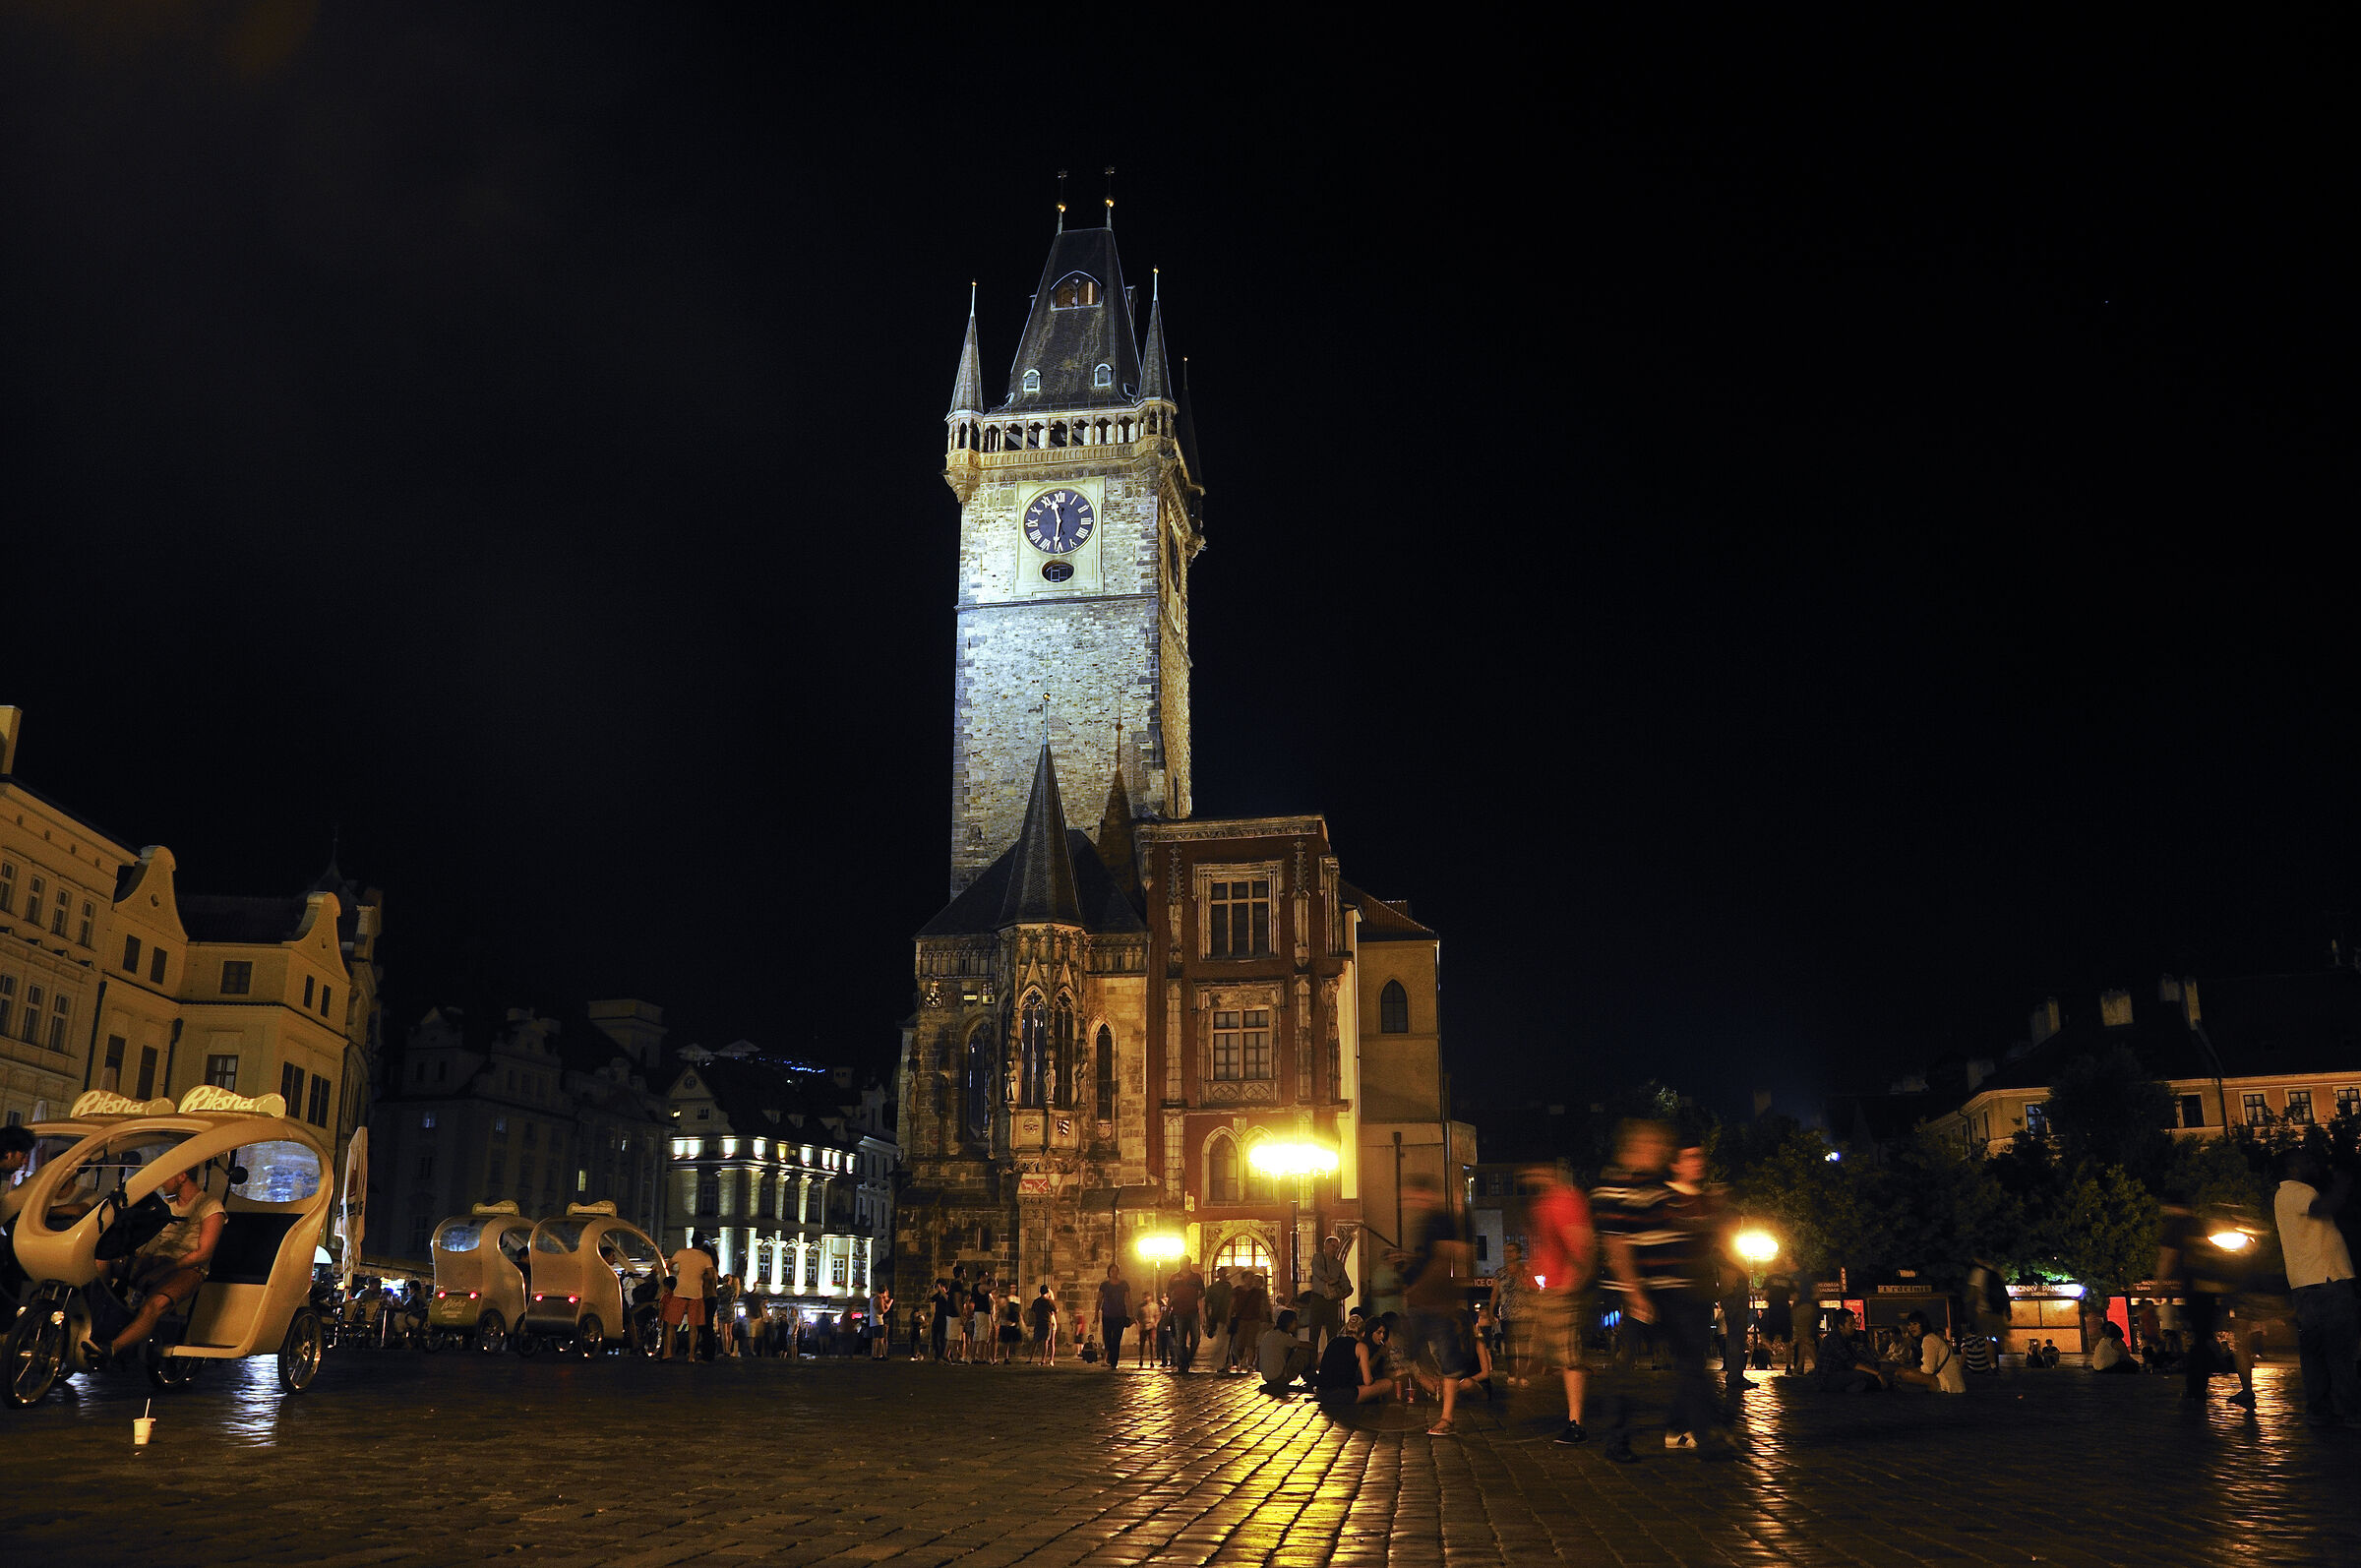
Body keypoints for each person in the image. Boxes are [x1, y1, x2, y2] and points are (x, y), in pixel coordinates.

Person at [1594, 1120, 1729, 1460]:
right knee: (1627, 1368)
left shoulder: (1657, 1189)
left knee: (1691, 1363)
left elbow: (1675, 1232)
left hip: (1669, 1288)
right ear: (1636, 1148)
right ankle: (1617, 1439)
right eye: (1654, 1146)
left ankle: (1704, 1433)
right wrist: (1635, 1292)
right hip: (1639, 1290)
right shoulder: (1615, 1187)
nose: (1660, 1153)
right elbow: (1617, 1243)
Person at [98, 1165, 225, 1359]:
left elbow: (203, 1254)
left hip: (188, 1269)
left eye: (166, 1177)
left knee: (154, 1305)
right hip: (157, 1261)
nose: (162, 1183)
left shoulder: (211, 1206)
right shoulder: (166, 1205)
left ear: (182, 1175)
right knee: (102, 1259)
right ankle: (104, 1311)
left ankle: (111, 1349)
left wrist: (165, 1270)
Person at [2273, 1149, 2358, 1426]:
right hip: (2326, 1279)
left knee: (2314, 1352)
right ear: (2293, 1168)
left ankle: (2319, 1408)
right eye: (2306, 1161)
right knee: (2340, 1350)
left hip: (2305, 1284)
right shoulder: (2297, 1191)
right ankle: (2350, 1410)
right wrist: (2343, 1182)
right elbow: (2323, 1208)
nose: (2312, 1164)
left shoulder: (2283, 1194)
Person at [1519, 1160, 1598, 1446]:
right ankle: (1574, 1418)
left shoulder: (1565, 1199)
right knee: (1555, 1355)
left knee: (1569, 1357)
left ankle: (1576, 1423)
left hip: (1563, 1289)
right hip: (1548, 1289)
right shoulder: (1541, 1203)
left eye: (1533, 1170)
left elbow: (1581, 1243)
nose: (1528, 1177)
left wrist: (1572, 1282)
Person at [1392, 1171, 1475, 1437]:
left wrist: (1424, 1279)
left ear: (1425, 1194)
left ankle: (1447, 1417)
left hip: (1436, 1301)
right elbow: (1429, 1259)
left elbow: (1453, 1254)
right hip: (1423, 1300)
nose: (1409, 1202)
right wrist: (1411, 1265)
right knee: (1411, 1350)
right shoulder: (1425, 1223)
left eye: (1412, 1196)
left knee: (1447, 1357)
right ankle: (1430, 1398)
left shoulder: (1441, 1220)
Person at [1315, 1314, 1395, 1408]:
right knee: (1387, 1384)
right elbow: (1367, 1381)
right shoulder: (1361, 1347)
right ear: (1363, 1333)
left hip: (1321, 1393)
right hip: (1341, 1395)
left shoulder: (1333, 1341)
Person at [660, 1239, 714, 1361]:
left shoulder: (681, 1253)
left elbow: (668, 1265)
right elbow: (711, 1276)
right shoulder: (705, 1257)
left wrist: (677, 1272)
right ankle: (691, 1356)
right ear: (701, 1244)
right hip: (696, 1294)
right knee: (693, 1327)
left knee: (670, 1324)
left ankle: (667, 1353)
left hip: (680, 1292)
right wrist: (700, 1275)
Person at [1809, 1308, 1888, 1393]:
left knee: (1868, 1373)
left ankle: (1859, 1385)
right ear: (1841, 1326)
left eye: (1854, 1323)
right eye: (1851, 1324)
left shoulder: (1846, 1337)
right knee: (1865, 1374)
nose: (1854, 1326)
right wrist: (1877, 1373)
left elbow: (1858, 1357)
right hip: (1826, 1379)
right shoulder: (1833, 1339)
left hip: (1840, 1373)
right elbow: (1851, 1362)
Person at [1888, 1310, 1966, 1392]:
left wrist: (1910, 1371)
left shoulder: (1928, 1339)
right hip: (1953, 1383)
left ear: (1923, 1324)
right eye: (1909, 1325)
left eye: (1915, 1324)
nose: (1911, 1327)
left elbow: (1928, 1369)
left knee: (1901, 1373)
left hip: (1949, 1385)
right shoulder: (1930, 1337)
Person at [1302, 1236, 1351, 1360]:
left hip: (1332, 1301)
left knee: (1332, 1332)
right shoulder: (1318, 1258)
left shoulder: (1338, 1265)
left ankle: (1331, 1359)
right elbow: (1318, 1271)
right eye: (1333, 1246)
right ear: (1326, 1245)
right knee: (1314, 1331)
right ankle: (1312, 1361)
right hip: (1318, 1298)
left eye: (1337, 1247)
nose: (1335, 1249)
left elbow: (1345, 1281)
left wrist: (1347, 1289)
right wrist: (1330, 1280)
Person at [1257, 1305, 1316, 1393]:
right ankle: (1310, 1378)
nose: (1296, 1325)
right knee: (1304, 1352)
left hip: (1267, 1376)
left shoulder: (1269, 1334)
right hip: (1278, 1377)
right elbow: (1308, 1346)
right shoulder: (1284, 1337)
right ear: (1289, 1323)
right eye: (1295, 1322)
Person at [1166, 1258, 1204, 1372]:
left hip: (1193, 1311)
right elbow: (1169, 1293)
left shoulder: (1196, 1277)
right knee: (1180, 1340)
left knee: (1196, 1338)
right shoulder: (1174, 1277)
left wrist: (1194, 1297)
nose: (1185, 1265)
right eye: (1183, 1263)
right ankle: (1183, 1363)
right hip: (1178, 1312)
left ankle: (1188, 1359)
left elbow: (1203, 1291)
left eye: (1186, 1263)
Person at [1760, 1271, 1798, 1374]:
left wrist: (1769, 1299)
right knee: (1787, 1342)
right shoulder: (1787, 1280)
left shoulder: (1769, 1278)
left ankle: (1767, 1358)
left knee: (1767, 1337)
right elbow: (1794, 1296)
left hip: (1774, 1309)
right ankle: (1788, 1367)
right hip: (1785, 1310)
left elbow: (1765, 1295)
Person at [1097, 1262, 1131, 1369]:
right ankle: (1110, 1356)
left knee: (1116, 1339)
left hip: (1120, 1315)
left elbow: (1128, 1299)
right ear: (1109, 1272)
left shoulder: (1124, 1284)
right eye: (1112, 1271)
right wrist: (1096, 1314)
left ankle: (1114, 1362)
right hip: (1107, 1315)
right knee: (1107, 1339)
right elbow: (1099, 1299)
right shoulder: (1104, 1285)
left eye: (1116, 1271)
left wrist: (1130, 1314)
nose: (1114, 1273)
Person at [1202, 1266, 1236, 1375]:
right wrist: (1207, 1319)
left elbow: (1207, 1305)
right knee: (1222, 1342)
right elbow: (1207, 1305)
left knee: (1224, 1342)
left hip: (1222, 1317)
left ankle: (1223, 1363)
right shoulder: (1221, 1288)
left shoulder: (1217, 1288)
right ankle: (1221, 1364)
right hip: (1219, 1317)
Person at [1031, 1283, 1059, 1365]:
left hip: (1038, 1322)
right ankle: (1043, 1359)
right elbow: (1056, 1310)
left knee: (1035, 1341)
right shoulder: (1049, 1301)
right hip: (1047, 1323)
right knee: (1046, 1341)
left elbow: (1033, 1311)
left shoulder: (1036, 1301)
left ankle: (1031, 1358)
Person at [872, 1287, 894, 1359]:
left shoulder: (873, 1298)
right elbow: (881, 1311)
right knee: (881, 1339)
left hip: (873, 1321)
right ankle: (879, 1355)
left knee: (876, 1339)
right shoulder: (879, 1299)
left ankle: (875, 1355)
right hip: (879, 1320)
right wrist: (889, 1305)